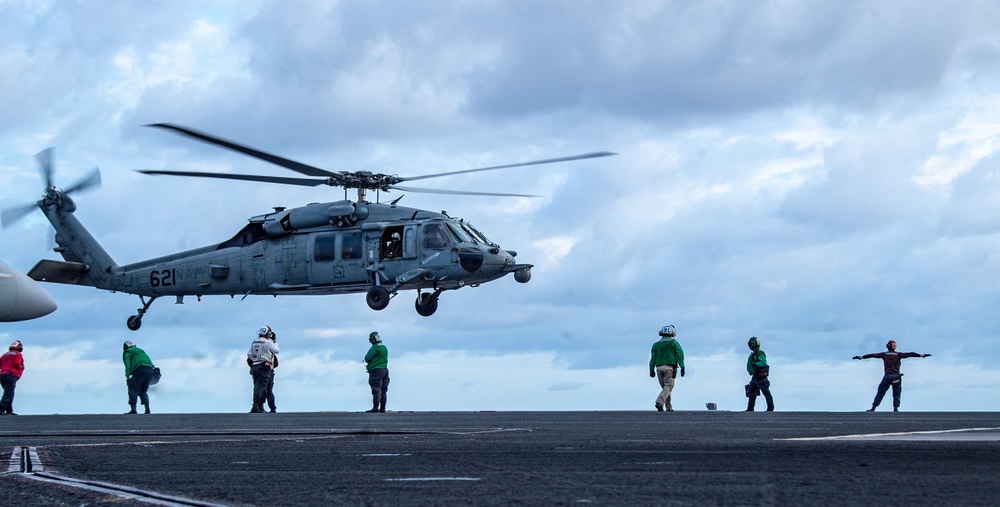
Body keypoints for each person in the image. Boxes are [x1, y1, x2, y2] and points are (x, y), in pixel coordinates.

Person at [854, 340, 930, 412]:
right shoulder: (898, 355)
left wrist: (861, 357)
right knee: (896, 393)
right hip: (896, 377)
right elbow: (910, 354)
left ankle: (873, 408)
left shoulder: (884, 354)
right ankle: (895, 409)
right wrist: (921, 355)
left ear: (887, 346)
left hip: (887, 376)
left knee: (880, 392)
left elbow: (872, 355)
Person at [649, 325, 685, 412]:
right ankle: (659, 402)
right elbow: (680, 355)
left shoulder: (655, 345)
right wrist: (682, 367)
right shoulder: (673, 343)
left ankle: (669, 408)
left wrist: (651, 369)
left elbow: (653, 358)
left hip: (658, 368)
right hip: (669, 368)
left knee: (665, 389)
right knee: (669, 387)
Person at [247, 325, 280, 413]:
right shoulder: (267, 342)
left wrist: (256, 358)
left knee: (257, 386)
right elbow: (276, 350)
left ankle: (259, 407)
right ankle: (256, 406)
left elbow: (249, 354)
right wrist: (275, 341)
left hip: (255, 366)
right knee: (262, 387)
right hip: (264, 367)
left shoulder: (254, 342)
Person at [122, 341, 156, 414]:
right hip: (150, 369)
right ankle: (147, 409)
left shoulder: (128, 352)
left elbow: (127, 365)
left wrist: (127, 378)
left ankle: (133, 409)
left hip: (140, 368)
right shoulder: (140, 350)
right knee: (143, 390)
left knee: (132, 387)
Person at [745, 337, 774, 412]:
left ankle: (770, 408)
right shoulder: (753, 354)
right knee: (751, 392)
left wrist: (754, 364)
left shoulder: (760, 353)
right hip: (755, 376)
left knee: (765, 392)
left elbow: (763, 362)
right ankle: (750, 408)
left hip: (760, 376)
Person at [364, 331, 390, 413]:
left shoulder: (374, 348)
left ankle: (375, 408)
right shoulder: (384, 347)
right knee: (383, 390)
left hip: (376, 370)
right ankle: (382, 408)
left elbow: (367, 358)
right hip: (385, 370)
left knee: (376, 389)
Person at [0, 340, 25, 415]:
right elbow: (16, 363)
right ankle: (1, 408)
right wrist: (21, 367)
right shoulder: (18, 354)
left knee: (9, 392)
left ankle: (9, 409)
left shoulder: (5, 355)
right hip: (11, 375)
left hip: (2, 375)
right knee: (8, 393)